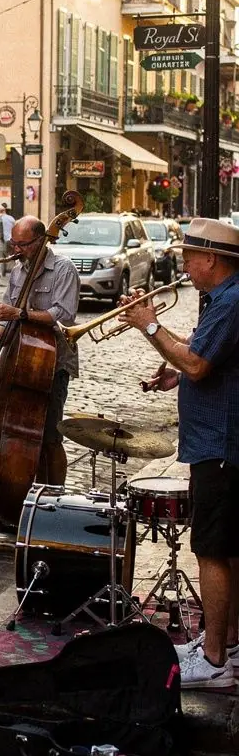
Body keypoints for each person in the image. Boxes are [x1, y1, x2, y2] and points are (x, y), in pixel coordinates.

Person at [122, 217, 239, 691]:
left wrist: (149, 325)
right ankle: (227, 643)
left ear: (211, 258)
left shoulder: (230, 301)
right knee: (228, 549)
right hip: (219, 441)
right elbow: (199, 355)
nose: (185, 265)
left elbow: (197, 361)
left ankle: (213, 662)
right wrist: (175, 371)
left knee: (210, 551)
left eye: (190, 257)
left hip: (220, 444)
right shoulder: (222, 298)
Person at [0, 214, 80, 486]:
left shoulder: (63, 269)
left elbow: (64, 315)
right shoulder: (17, 271)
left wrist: (20, 314)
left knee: (49, 437)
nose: (15, 250)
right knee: (14, 430)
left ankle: (55, 492)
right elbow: (6, 315)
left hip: (50, 364)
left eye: (22, 244)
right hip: (17, 362)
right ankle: (17, 487)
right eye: (13, 243)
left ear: (41, 240)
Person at [0, 203, 16, 276]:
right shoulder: (11, 218)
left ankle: (2, 272)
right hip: (11, 239)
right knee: (13, 256)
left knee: (2, 257)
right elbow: (15, 227)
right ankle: (15, 271)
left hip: (3, 239)